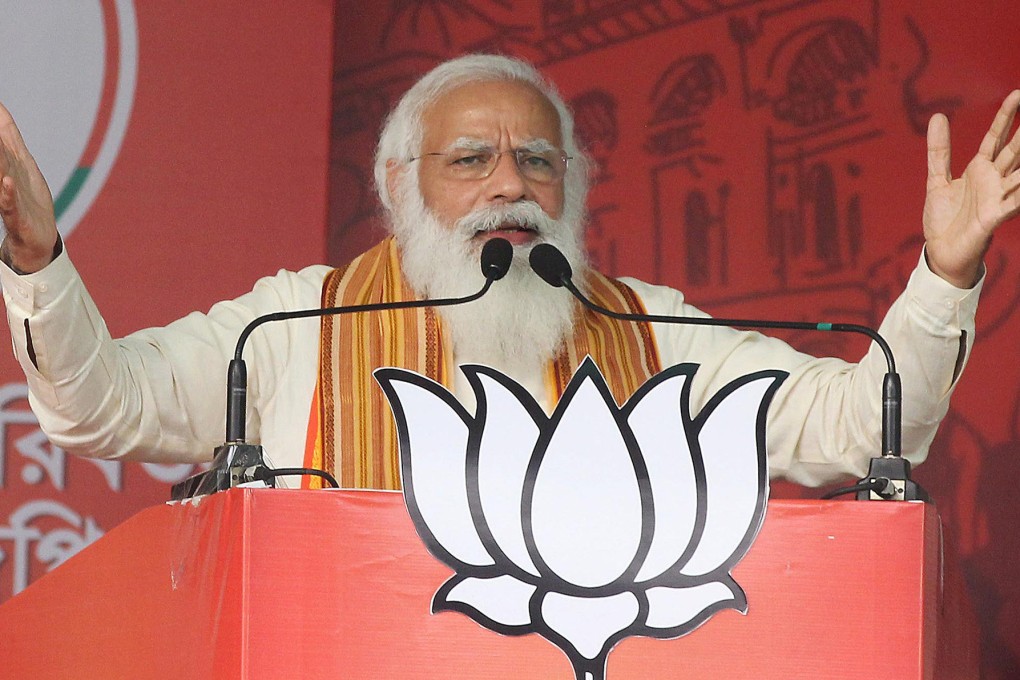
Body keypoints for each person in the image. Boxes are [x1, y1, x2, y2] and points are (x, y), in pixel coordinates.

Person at [1, 55, 1017, 490]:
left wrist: (942, 272)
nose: (509, 185)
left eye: (537, 159)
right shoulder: (292, 325)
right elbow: (104, 406)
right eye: (471, 160)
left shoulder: (656, 333)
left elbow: (861, 427)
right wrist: (40, 259)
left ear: (570, 184)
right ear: (400, 184)